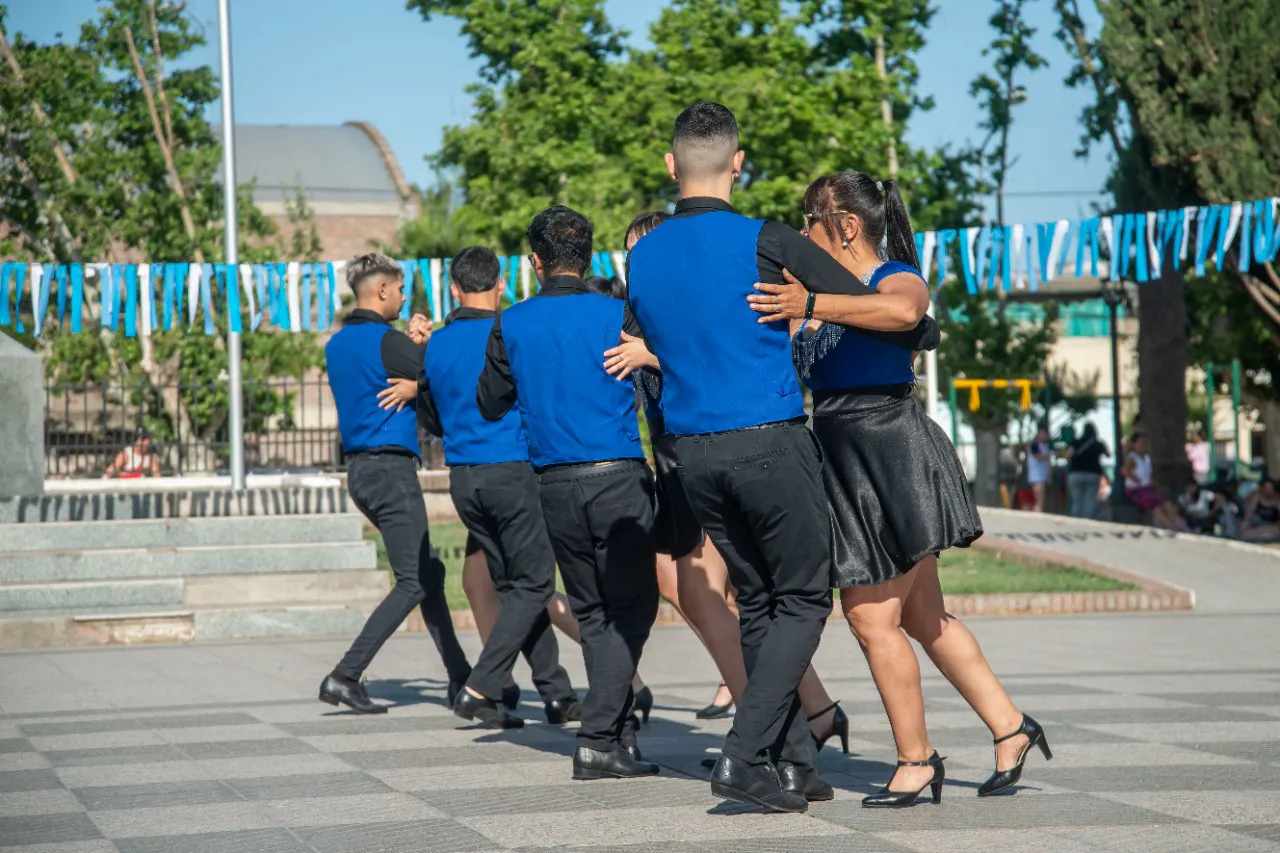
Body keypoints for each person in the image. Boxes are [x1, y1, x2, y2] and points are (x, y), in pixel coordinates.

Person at [627, 102, 938, 813]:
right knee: (802, 596)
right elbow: (871, 301)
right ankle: (744, 756)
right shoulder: (765, 238)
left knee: (760, 599)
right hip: (767, 440)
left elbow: (644, 336)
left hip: (693, 456)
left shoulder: (641, 255)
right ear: (738, 164)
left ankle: (796, 761)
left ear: (671, 167)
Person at [747, 169, 1049, 807]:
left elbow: (907, 310)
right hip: (848, 453)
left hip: (888, 449)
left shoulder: (889, 276)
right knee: (920, 615)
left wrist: (811, 306)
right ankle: (1010, 726)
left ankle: (916, 762)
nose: (802, 234)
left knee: (868, 616)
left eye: (809, 222)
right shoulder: (815, 290)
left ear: (846, 226)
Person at [605, 211, 849, 746]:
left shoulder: (683, 298)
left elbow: (716, 357)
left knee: (730, 593)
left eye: (638, 251)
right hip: (679, 455)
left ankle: (772, 723)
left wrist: (654, 355)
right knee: (716, 592)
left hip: (707, 446)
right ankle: (798, 715)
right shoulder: (643, 305)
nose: (638, 266)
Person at [478, 205, 660, 782]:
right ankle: (598, 738)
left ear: (535, 262)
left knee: (593, 611)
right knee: (632, 608)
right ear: (589, 258)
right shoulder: (619, 312)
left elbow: (490, 402)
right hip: (618, 478)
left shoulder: (511, 322)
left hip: (554, 484)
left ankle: (619, 733)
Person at [378, 246, 579, 730]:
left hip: (464, 478)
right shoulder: (509, 331)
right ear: (501, 285)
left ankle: (557, 693)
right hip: (512, 470)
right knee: (533, 584)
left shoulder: (437, 345)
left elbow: (430, 417)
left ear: (453, 287)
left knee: (516, 587)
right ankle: (482, 684)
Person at [318, 252, 472, 714]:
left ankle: (460, 677)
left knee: (429, 572)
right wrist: (421, 356)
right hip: (390, 471)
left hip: (361, 472)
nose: (405, 298)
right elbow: (443, 371)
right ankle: (345, 674)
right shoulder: (386, 341)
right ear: (382, 290)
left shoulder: (338, 342)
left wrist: (414, 360)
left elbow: (399, 372)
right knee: (411, 582)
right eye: (401, 290)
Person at [1121, 433, 1178, 529]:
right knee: (1156, 507)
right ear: (1134, 444)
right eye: (1140, 442)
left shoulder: (1147, 458)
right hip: (1136, 490)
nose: (1143, 445)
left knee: (1168, 505)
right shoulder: (1132, 457)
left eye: (1144, 442)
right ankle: (1169, 526)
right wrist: (1137, 480)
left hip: (1147, 489)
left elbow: (1149, 476)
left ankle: (1174, 524)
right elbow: (1124, 470)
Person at [1064, 423, 1109, 519]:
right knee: (1090, 501)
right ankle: (1087, 521)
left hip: (1076, 473)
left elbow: (1068, 454)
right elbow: (1108, 454)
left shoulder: (1076, 442)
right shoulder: (1098, 444)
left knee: (1077, 501)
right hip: (1093, 474)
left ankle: (1075, 521)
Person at [1024, 424, 1052, 512]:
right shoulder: (1034, 444)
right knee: (1039, 501)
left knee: (1041, 501)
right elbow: (1038, 457)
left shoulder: (1045, 447)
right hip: (1036, 476)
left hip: (1042, 476)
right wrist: (1049, 456)